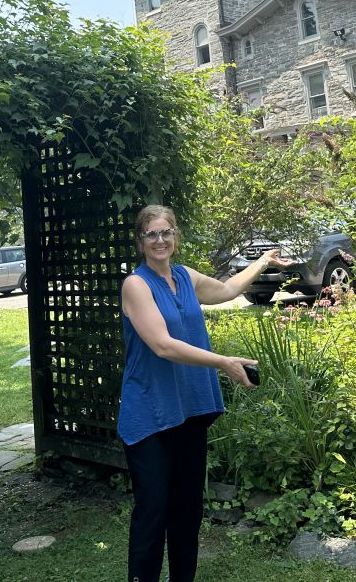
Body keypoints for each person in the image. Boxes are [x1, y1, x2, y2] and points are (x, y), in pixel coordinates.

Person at [118, 204, 293, 582]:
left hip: (189, 410)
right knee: (153, 512)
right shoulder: (136, 285)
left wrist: (262, 261)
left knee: (187, 510)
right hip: (150, 414)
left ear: (175, 236)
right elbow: (162, 345)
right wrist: (223, 362)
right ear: (140, 241)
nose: (160, 240)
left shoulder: (186, 277)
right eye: (151, 234)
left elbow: (229, 289)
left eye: (166, 232)